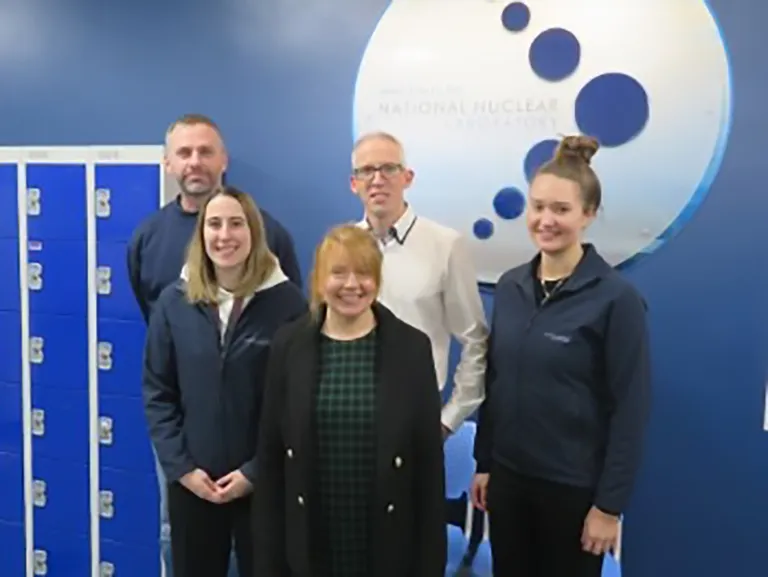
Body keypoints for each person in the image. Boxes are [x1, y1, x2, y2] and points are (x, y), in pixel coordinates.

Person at [127, 113, 301, 576]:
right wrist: (182, 466)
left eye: (205, 151)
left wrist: (255, 471)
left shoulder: (285, 298)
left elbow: (295, 388)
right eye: (184, 152)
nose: (225, 236)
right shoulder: (168, 284)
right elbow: (159, 384)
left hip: (260, 474)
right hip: (190, 468)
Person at [470, 135, 652, 576]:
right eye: (538, 207)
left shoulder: (616, 299)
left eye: (561, 210)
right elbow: (497, 382)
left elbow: (630, 410)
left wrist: (609, 507)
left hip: (573, 493)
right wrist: (485, 463)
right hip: (510, 483)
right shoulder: (511, 287)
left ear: (588, 215)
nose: (545, 220)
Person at [253, 224, 447, 577]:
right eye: (338, 273)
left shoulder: (412, 349)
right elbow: (270, 461)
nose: (352, 285)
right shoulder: (288, 346)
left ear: (377, 280)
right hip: (311, 542)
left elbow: (429, 471)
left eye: (364, 273)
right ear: (318, 281)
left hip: (386, 543)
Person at [350, 131, 488, 438]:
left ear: (407, 177)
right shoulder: (342, 248)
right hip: (348, 414)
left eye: (389, 168)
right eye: (366, 171)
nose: (377, 179)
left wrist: (448, 420)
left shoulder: (445, 245)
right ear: (354, 183)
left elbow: (475, 340)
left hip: (417, 414)